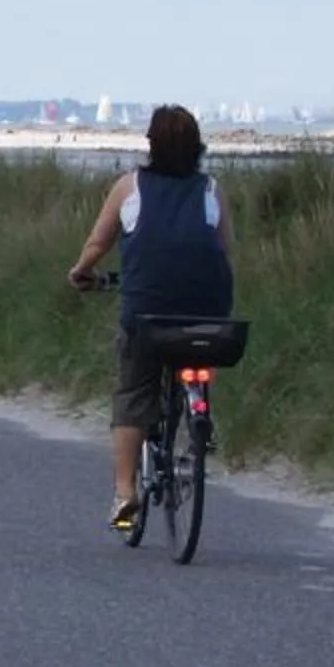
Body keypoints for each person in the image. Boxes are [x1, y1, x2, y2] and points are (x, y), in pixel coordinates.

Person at [68, 103, 235, 536]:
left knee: (134, 393)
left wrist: (82, 271)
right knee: (197, 357)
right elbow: (224, 251)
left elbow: (98, 243)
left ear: (152, 145)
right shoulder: (211, 191)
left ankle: (126, 493)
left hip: (147, 315)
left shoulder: (130, 187)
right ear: (197, 147)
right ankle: (200, 418)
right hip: (207, 315)